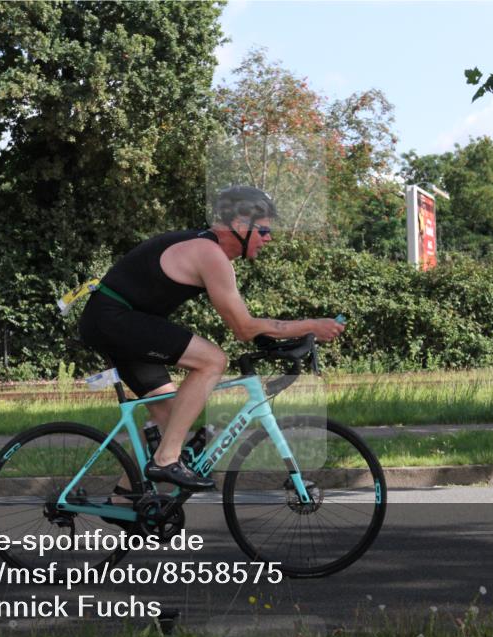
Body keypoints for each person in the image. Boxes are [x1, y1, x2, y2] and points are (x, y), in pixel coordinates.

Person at [78, 186, 344, 491]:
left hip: (115, 321)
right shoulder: (210, 255)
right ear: (241, 226)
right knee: (213, 360)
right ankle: (165, 461)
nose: (269, 238)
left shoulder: (210, 251)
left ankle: (126, 498)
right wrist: (311, 325)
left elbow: (242, 324)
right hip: (115, 319)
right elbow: (243, 328)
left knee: (170, 417)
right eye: (265, 229)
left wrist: (275, 341)